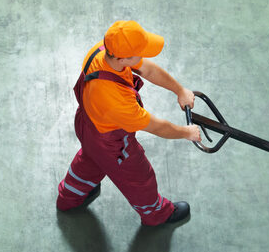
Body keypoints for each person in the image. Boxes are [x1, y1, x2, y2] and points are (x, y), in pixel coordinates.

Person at [57, 20, 202, 226]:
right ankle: (156, 215)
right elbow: (157, 127)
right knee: (139, 178)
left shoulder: (103, 50)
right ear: (124, 58)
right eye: (140, 52)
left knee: (90, 160)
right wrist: (186, 132)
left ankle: (69, 198)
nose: (143, 56)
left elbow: (148, 70)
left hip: (88, 125)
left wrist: (180, 90)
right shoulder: (115, 101)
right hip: (112, 146)